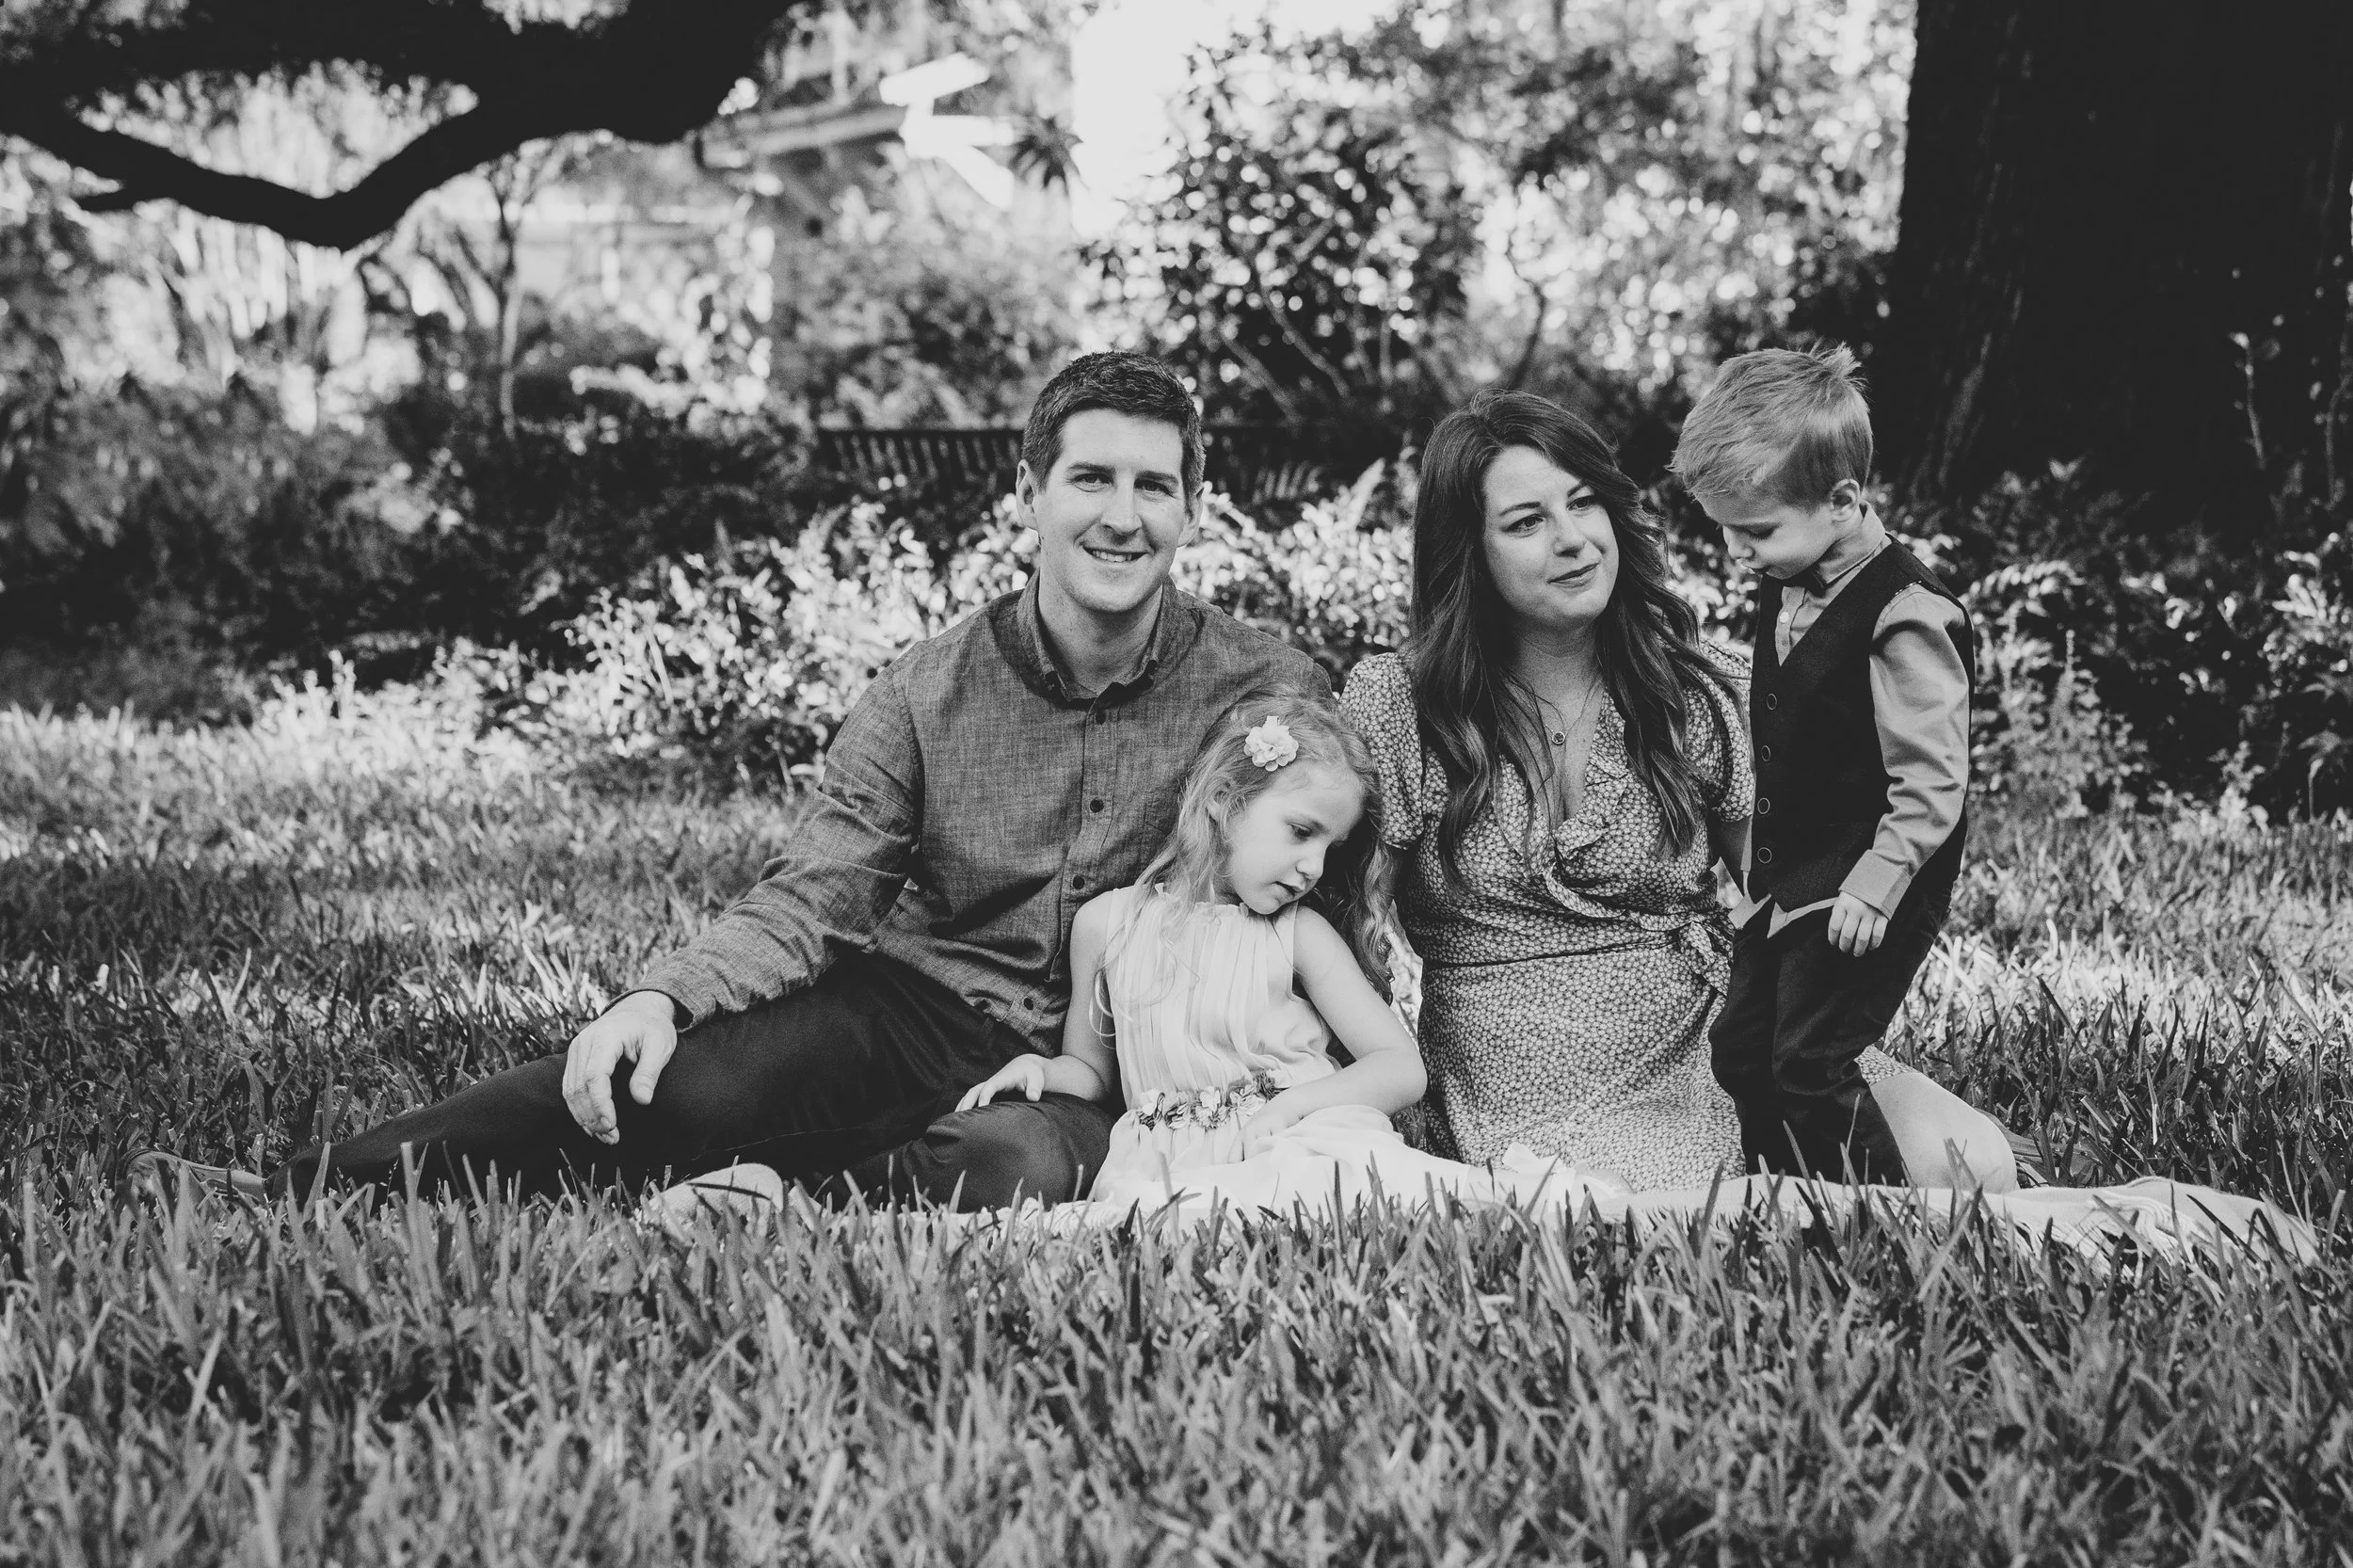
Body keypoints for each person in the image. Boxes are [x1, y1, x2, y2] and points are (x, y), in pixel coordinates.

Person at [145, 352, 1329, 1208]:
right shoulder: (925, 691)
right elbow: (812, 895)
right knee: (673, 1089)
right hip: (912, 1008)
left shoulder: (1262, 688)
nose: (1122, 517)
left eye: (1153, 487)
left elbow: (1329, 878)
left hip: (1110, 1058)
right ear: (1030, 495)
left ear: (1192, 508)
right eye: (1091, 479)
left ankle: (769, 1195)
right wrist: (658, 1000)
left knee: (1007, 1167)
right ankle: (303, 1186)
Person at [1339, 388, 2012, 1192]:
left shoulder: (1697, 690)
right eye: (1526, 523)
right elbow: (1351, 923)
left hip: (1710, 1031)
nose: (1574, 539)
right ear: (1468, 552)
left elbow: (1791, 880)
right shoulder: (1403, 705)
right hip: (1520, 1059)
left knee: (1967, 1161)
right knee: (1655, 1204)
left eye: (1583, 503)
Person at [652, 693, 1631, 1227]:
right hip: (1160, 1151)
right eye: (1300, 832)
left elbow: (1397, 1066)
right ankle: (785, 1200)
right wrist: (1042, 1072)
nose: (1311, 866)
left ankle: (803, 1205)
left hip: (1297, 1137)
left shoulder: (1295, 934)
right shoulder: (1110, 926)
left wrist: (1291, 1111)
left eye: (1330, 849)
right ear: (1224, 804)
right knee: (1125, 1228)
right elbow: (1094, 1070)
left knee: (1317, 1210)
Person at [1672, 345, 1972, 1184]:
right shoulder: (1794, 572)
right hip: (1793, 881)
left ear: (1842, 501)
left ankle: (1879, 1215)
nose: (1736, 551)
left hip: (1872, 885)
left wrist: (1877, 884)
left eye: (1756, 531)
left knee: (1811, 1061)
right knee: (1742, 1050)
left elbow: (1932, 780)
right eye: (1726, 529)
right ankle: (1785, 1192)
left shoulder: (1906, 614)